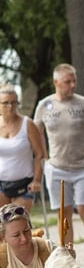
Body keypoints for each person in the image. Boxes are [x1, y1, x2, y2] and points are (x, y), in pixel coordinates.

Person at [33, 63, 84, 242]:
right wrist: (44, 155)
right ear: (56, 82)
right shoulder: (44, 105)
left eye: (74, 81)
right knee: (63, 213)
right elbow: (36, 132)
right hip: (57, 167)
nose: (72, 85)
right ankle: (67, 252)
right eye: (68, 81)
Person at [0, 85, 46, 213]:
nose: (10, 106)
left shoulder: (28, 124)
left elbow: (39, 154)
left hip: (24, 184)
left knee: (18, 219)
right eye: (5, 103)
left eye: (13, 103)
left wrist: (36, 180)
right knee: (3, 223)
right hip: (1, 184)